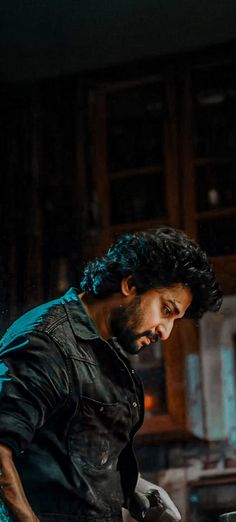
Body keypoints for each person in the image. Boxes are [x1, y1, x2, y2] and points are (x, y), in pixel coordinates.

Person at [0, 227, 222, 522]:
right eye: (166, 310)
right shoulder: (46, 340)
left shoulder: (106, 349)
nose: (166, 332)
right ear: (131, 284)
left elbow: (72, 455)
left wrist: (134, 487)